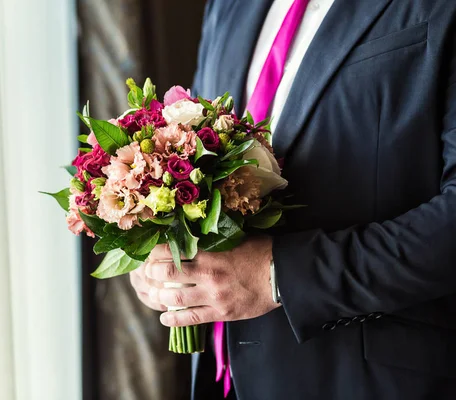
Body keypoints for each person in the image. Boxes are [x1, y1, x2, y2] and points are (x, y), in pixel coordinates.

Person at [130, 0, 456, 399]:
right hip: (219, 380)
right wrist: (164, 258)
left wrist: (278, 276)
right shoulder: (227, 6)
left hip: (361, 380)